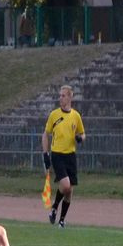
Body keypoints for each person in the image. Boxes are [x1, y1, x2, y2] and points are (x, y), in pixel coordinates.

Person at [42, 84, 85, 228]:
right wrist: (45, 154)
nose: (60, 98)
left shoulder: (76, 116)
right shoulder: (54, 115)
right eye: (60, 96)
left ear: (70, 97)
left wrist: (80, 138)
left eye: (63, 95)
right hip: (57, 155)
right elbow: (45, 134)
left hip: (70, 155)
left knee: (69, 190)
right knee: (66, 185)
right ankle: (54, 207)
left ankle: (61, 220)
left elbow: (83, 133)